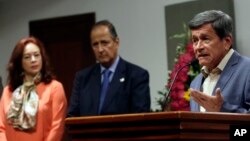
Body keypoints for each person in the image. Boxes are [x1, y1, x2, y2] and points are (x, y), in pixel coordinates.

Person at [67, 20, 151, 117]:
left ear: (117, 42)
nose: (100, 49)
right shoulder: (82, 77)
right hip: (88, 132)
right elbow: (72, 117)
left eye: (104, 43)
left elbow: (140, 117)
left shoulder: (136, 75)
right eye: (95, 44)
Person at [0, 36, 67, 141]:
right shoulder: (8, 91)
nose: (33, 60)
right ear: (19, 62)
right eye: (27, 57)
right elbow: (1, 128)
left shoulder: (55, 87)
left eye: (37, 55)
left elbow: (57, 127)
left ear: (42, 58)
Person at [188, 10, 250, 113]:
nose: (198, 47)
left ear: (227, 42)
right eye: (195, 40)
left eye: (206, 39)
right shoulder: (195, 83)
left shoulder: (247, 70)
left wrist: (222, 109)